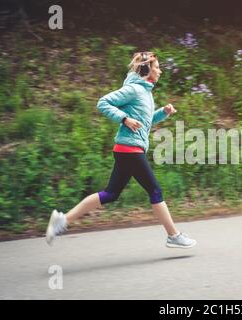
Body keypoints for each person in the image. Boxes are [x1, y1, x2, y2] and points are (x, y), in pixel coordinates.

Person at [46, 51, 197, 249]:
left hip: (129, 149)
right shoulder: (134, 89)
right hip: (130, 149)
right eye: (157, 67)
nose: (160, 71)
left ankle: (62, 220)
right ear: (147, 69)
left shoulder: (146, 92)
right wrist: (124, 118)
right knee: (155, 190)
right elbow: (103, 102)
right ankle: (173, 235)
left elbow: (144, 121)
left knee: (110, 194)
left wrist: (163, 113)